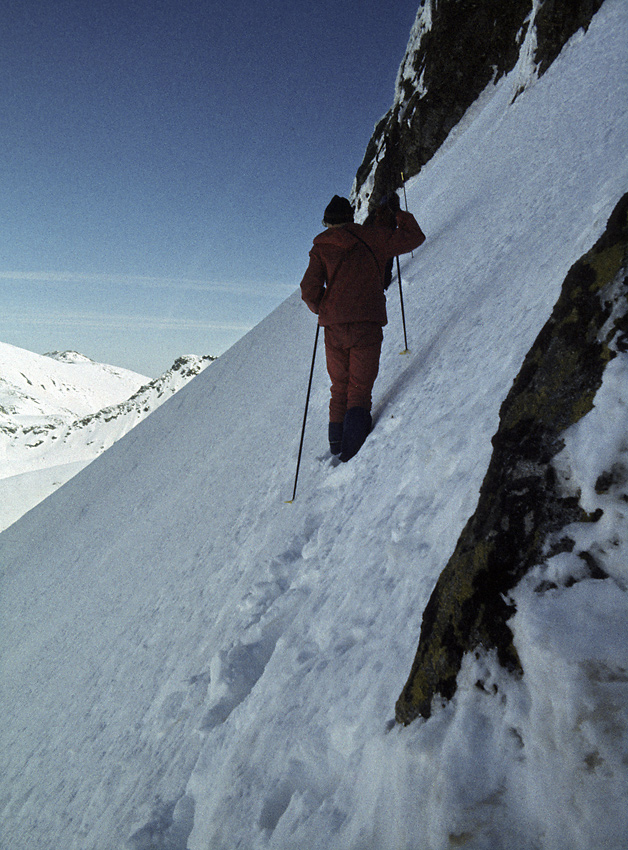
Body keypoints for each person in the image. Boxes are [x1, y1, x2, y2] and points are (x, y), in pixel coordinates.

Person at [300, 193, 425, 462]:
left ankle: (336, 445)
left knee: (339, 386)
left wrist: (324, 307)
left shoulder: (321, 247)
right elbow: (415, 237)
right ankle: (351, 457)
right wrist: (397, 214)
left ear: (327, 222)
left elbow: (309, 290)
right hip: (366, 322)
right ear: (350, 217)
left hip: (333, 327)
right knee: (359, 389)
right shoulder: (373, 237)